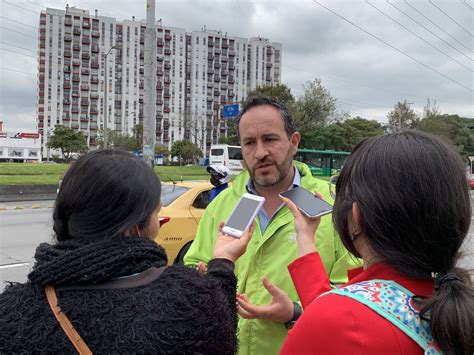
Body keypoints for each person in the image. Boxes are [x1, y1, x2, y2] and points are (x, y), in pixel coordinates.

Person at [239, 131, 474, 354]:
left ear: (355, 216)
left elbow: (337, 321)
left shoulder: (338, 320)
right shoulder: (454, 306)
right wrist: (305, 237)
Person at [0, 149, 253, 354]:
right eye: (157, 211)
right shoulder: (191, 300)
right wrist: (223, 262)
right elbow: (219, 333)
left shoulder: (11, 312)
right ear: (134, 225)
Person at [184, 97, 360, 354]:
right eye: (249, 143)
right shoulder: (221, 205)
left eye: (270, 139)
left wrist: (296, 311)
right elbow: (192, 267)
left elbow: (354, 293)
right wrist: (205, 278)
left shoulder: (332, 205)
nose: (260, 153)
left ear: (294, 142)